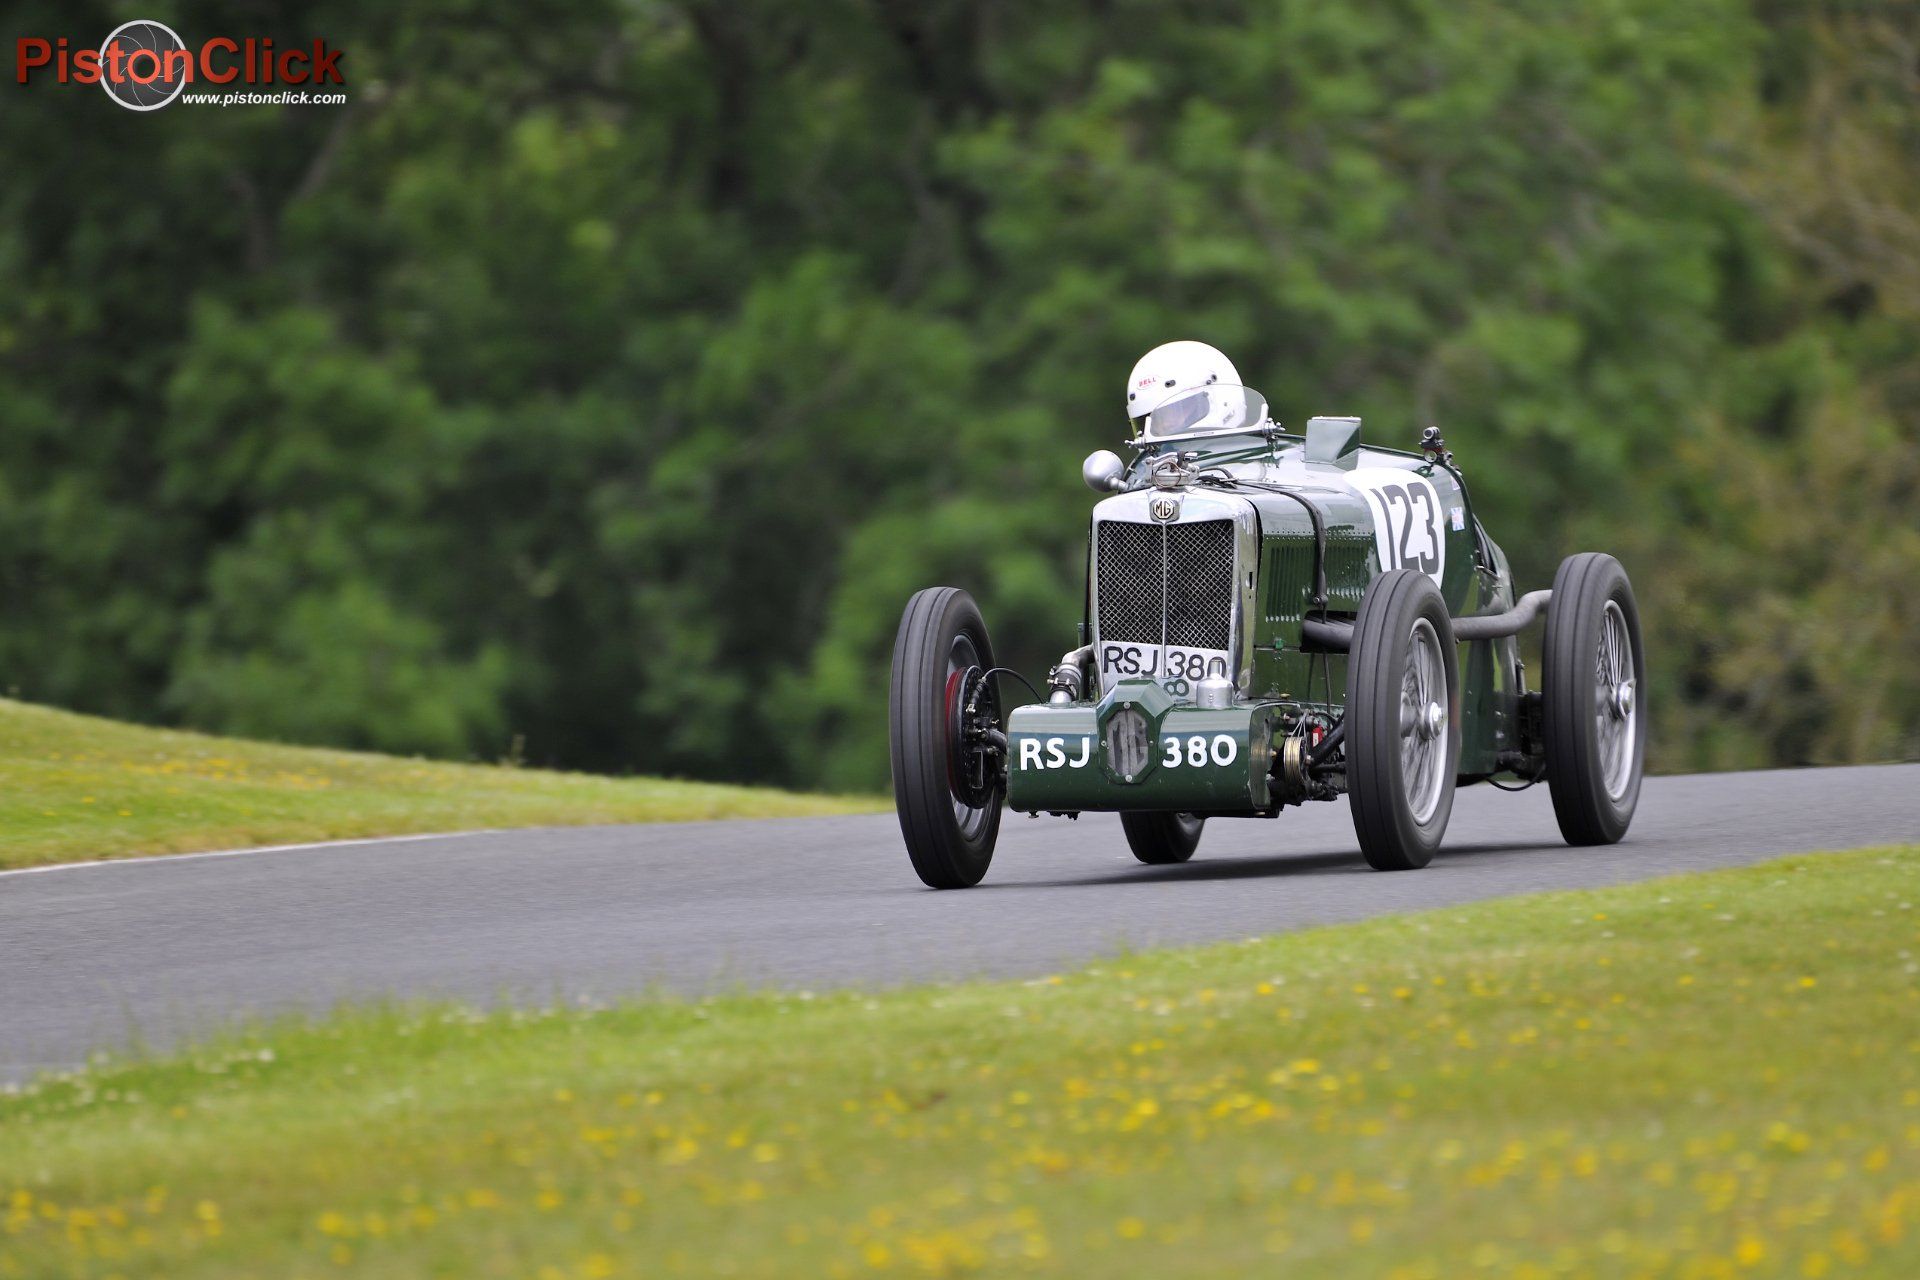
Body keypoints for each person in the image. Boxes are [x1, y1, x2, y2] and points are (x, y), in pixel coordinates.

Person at [1124, 340, 1247, 438]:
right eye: (1150, 420)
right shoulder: (1151, 468)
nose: (1164, 425)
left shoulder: (1259, 466)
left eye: (1176, 411)